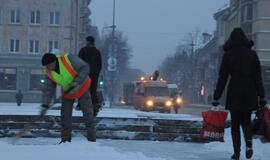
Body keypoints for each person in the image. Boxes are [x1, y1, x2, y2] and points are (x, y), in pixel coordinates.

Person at [212, 28, 266, 160]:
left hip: (234, 91)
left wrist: (216, 96)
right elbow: (258, 77)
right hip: (249, 91)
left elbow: (223, 78)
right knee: (246, 122)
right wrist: (262, 96)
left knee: (235, 124)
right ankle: (249, 145)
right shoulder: (252, 55)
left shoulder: (228, 55)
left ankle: (236, 153)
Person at [41, 53, 96, 143]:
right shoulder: (48, 72)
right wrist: (45, 105)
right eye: (46, 66)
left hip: (82, 87)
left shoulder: (68, 59)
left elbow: (85, 67)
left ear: (54, 61)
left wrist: (76, 82)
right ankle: (65, 141)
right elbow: (48, 89)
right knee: (65, 117)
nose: (47, 67)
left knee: (88, 115)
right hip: (68, 92)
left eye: (49, 65)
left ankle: (92, 141)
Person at [78, 36, 102, 116]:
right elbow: (99, 65)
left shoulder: (83, 50)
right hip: (94, 75)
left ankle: (82, 106)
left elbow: (79, 62)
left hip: (84, 74)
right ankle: (94, 108)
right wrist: (96, 73)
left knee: (83, 91)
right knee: (93, 91)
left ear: (87, 41)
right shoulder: (97, 52)